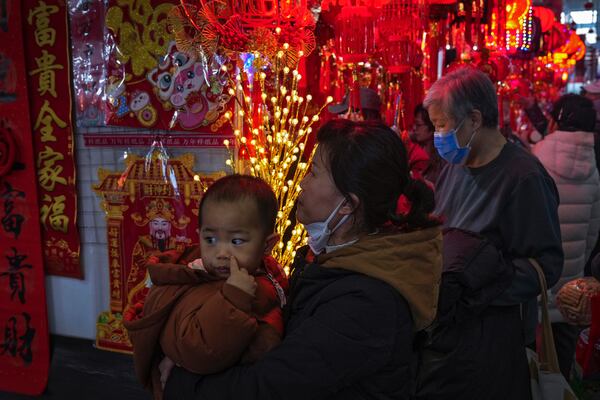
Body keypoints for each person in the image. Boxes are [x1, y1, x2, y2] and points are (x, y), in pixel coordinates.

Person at [161, 119, 443, 399]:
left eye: (314, 172)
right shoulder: (331, 258)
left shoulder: (368, 301)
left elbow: (271, 386)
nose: (302, 183)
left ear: (347, 204)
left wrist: (180, 382)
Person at [417, 67, 563, 399]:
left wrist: (478, 284)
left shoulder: (524, 178)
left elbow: (547, 265)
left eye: (442, 126)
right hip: (446, 329)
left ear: (474, 119)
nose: (438, 136)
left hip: (493, 335)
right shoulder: (455, 165)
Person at [123, 175, 288, 400]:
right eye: (210, 239)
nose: (221, 253)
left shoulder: (269, 275)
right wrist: (234, 299)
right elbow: (197, 352)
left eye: (236, 241)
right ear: (199, 236)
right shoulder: (195, 279)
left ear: (267, 244)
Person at [531, 93, 600, 378]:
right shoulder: (592, 168)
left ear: (556, 119)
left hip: (536, 280)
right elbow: (593, 231)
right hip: (571, 288)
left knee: (530, 363)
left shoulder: (536, 158)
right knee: (560, 364)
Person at [328, 87, 430, 176]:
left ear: (361, 116)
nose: (341, 118)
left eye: (345, 113)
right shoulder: (360, 144)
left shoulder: (387, 144)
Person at [409, 104, 445, 184]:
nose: (414, 128)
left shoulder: (441, 159)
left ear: (432, 127)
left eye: (418, 125)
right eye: (414, 124)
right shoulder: (413, 150)